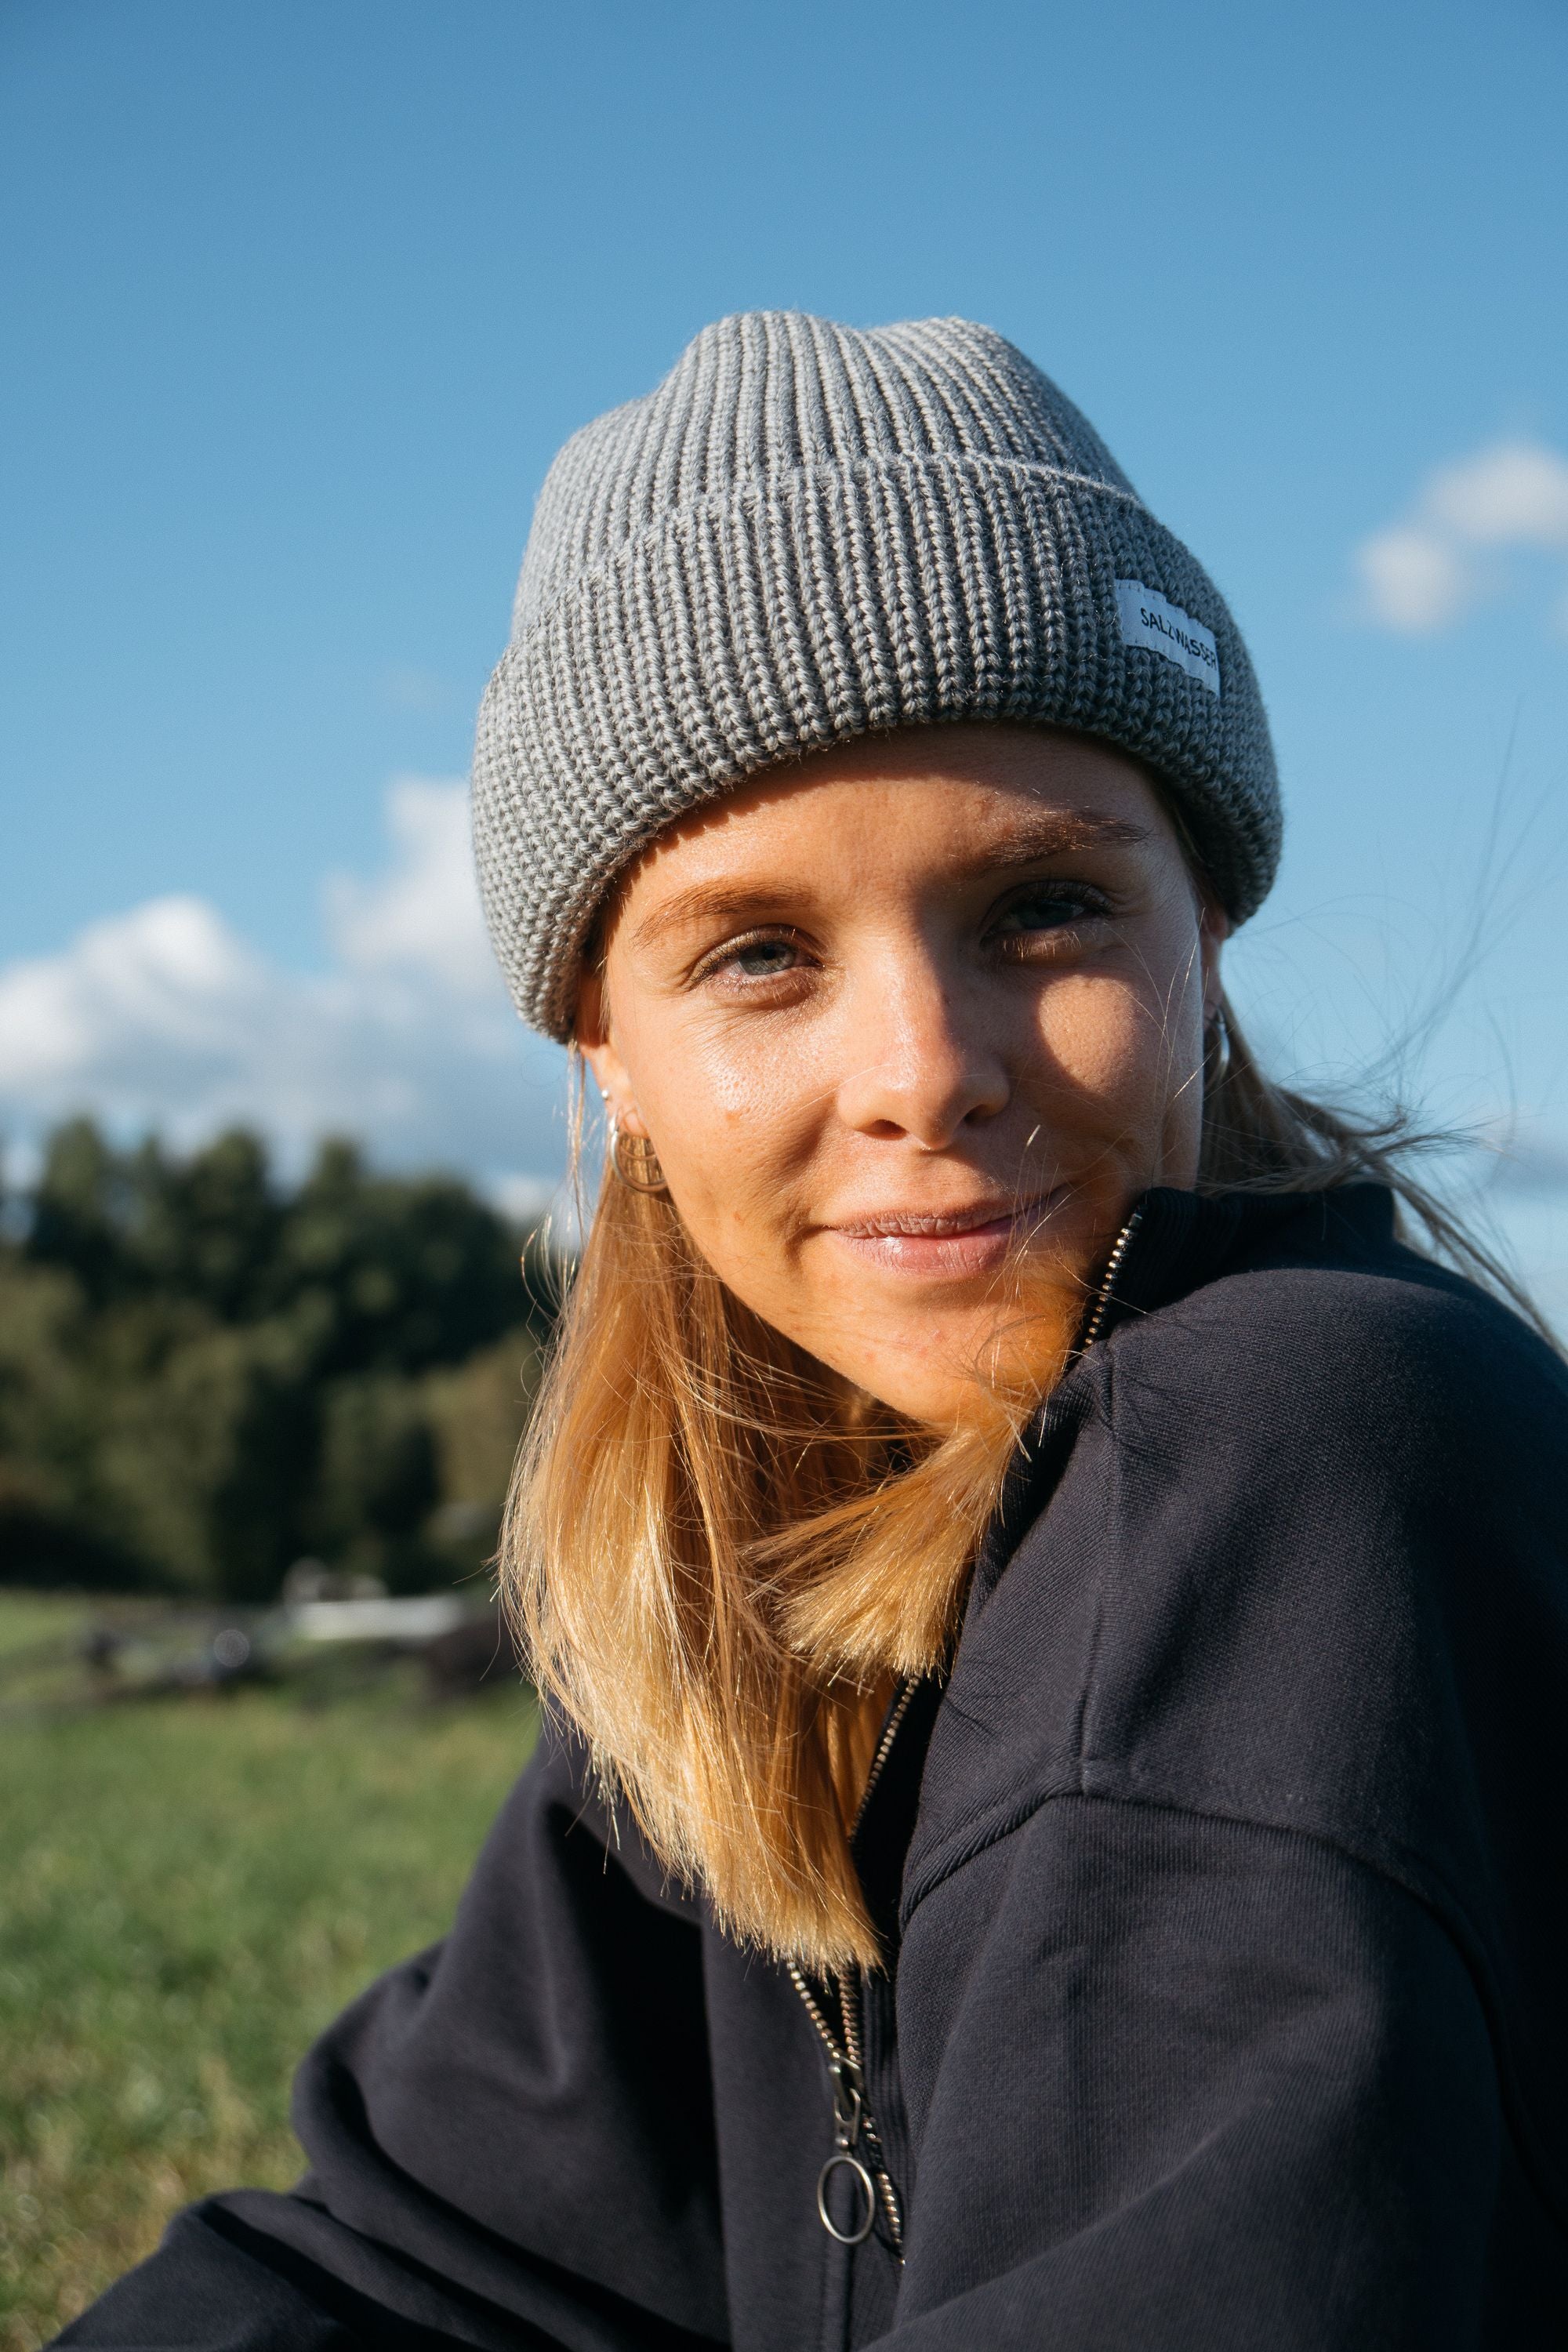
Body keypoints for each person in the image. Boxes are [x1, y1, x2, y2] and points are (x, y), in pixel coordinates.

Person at [57, 313, 1568, 2351]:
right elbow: (427, 2268)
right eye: (761, 954)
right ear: (604, 1046)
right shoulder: (743, 1576)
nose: (925, 1070)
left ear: (1202, 928)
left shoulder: (1299, 1436)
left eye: (1042, 909)